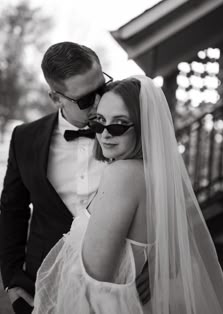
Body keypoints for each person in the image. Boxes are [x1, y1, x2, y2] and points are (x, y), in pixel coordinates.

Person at [33, 76, 223, 313]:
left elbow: (94, 277)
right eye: (99, 122)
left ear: (143, 127)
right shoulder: (156, 177)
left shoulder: (123, 174)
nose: (105, 134)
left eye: (118, 124)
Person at [0, 42, 149, 314]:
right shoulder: (25, 138)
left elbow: (161, 207)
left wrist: (153, 266)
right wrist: (11, 279)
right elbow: (12, 211)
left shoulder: (130, 136)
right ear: (56, 98)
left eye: (101, 89)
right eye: (84, 100)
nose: (97, 103)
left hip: (120, 288)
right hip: (42, 285)